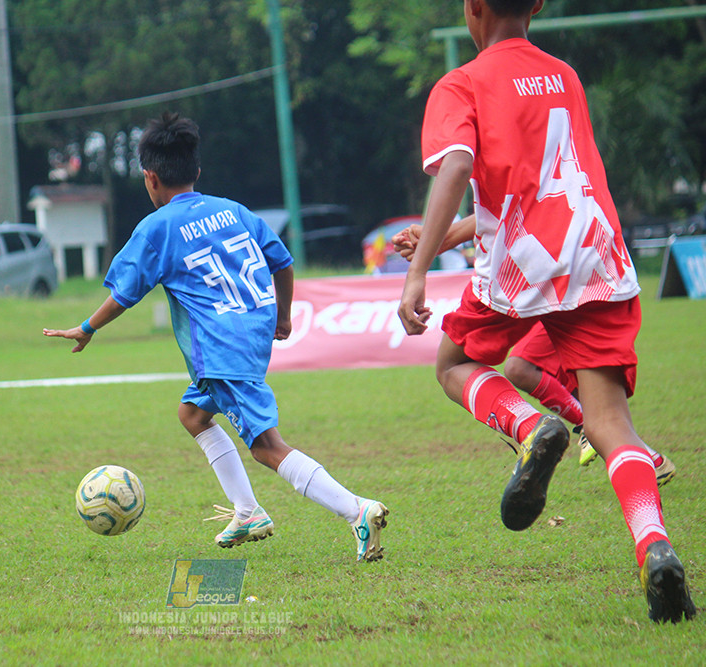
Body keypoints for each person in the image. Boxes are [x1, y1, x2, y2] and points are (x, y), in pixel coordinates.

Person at [397, 0, 695, 622]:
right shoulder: (564, 75)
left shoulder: (463, 83)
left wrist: (420, 267)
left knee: (454, 364)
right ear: (535, 5)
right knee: (613, 421)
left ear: (471, 8)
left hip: (523, 264)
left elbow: (457, 165)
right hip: (597, 255)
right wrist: (447, 237)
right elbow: (543, 183)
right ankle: (654, 544)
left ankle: (533, 430)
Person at [44, 112, 389, 562]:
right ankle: (247, 511)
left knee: (267, 447)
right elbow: (282, 262)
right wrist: (283, 316)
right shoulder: (234, 210)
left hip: (221, 352)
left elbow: (125, 294)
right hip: (251, 338)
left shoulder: (157, 227)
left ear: (150, 178)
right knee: (192, 415)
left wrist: (86, 328)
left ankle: (356, 510)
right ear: (197, 172)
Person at [392, 220, 676, 484]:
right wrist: (435, 239)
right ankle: (650, 522)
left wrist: (430, 248)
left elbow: (484, 192)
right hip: (572, 267)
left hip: (552, 270)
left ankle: (634, 456)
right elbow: (499, 202)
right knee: (521, 368)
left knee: (456, 365)